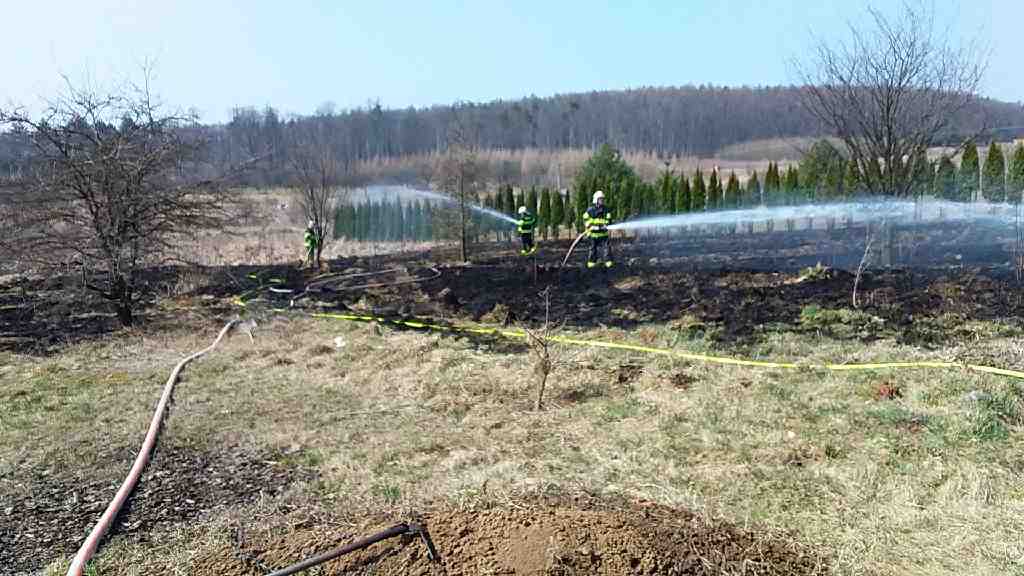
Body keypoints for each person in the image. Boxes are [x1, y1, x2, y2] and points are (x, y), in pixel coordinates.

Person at [582, 190, 613, 269]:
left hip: (603, 234)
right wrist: (591, 226)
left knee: (607, 249)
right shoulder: (590, 210)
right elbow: (585, 219)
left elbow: (609, 219)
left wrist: (606, 225)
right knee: (592, 249)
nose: (602, 201)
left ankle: (608, 263)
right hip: (593, 234)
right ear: (596, 199)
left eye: (603, 199)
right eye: (600, 199)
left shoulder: (606, 209)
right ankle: (591, 264)